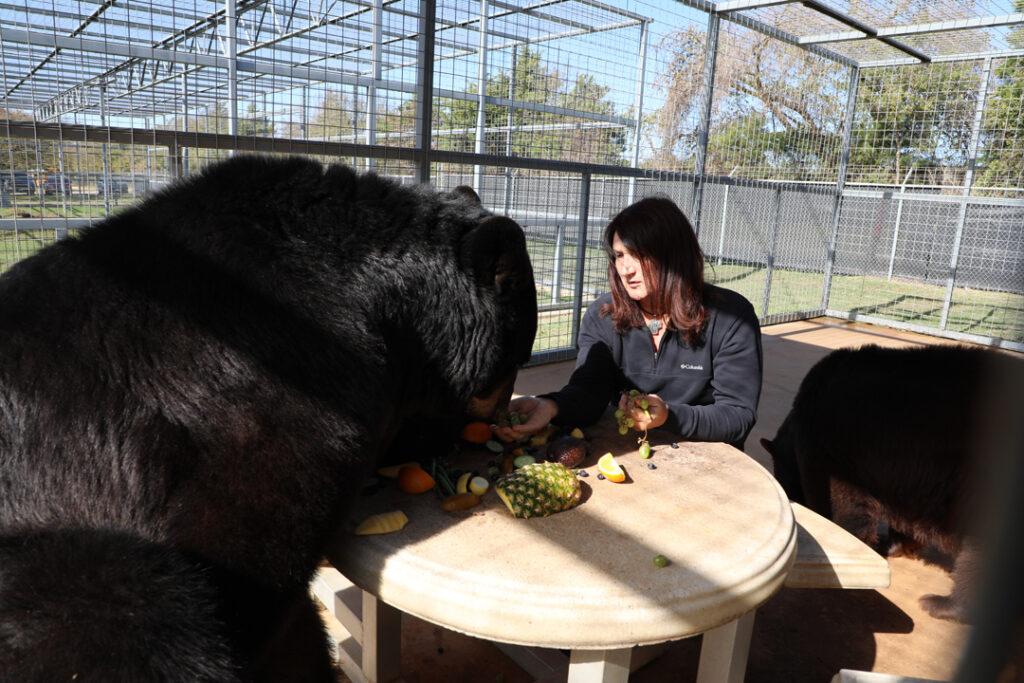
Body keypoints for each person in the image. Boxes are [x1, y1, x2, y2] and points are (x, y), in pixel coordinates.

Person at [495, 196, 763, 451]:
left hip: (708, 457)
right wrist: (550, 406)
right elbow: (589, 392)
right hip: (631, 451)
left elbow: (737, 416)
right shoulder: (604, 316)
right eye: (619, 255)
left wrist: (669, 415)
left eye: (637, 254)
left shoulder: (731, 317)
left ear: (674, 255)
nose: (626, 268)